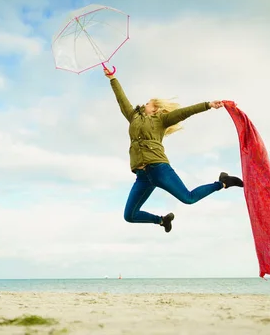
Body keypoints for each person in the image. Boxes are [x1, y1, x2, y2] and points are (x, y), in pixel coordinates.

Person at [104, 66, 243, 233]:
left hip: (158, 168)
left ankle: (223, 182)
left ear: (155, 108)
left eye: (149, 103)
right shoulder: (133, 116)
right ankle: (162, 221)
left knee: (188, 198)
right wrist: (112, 78)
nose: (145, 104)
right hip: (142, 176)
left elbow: (185, 112)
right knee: (130, 215)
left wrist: (208, 105)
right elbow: (122, 99)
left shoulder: (162, 120)